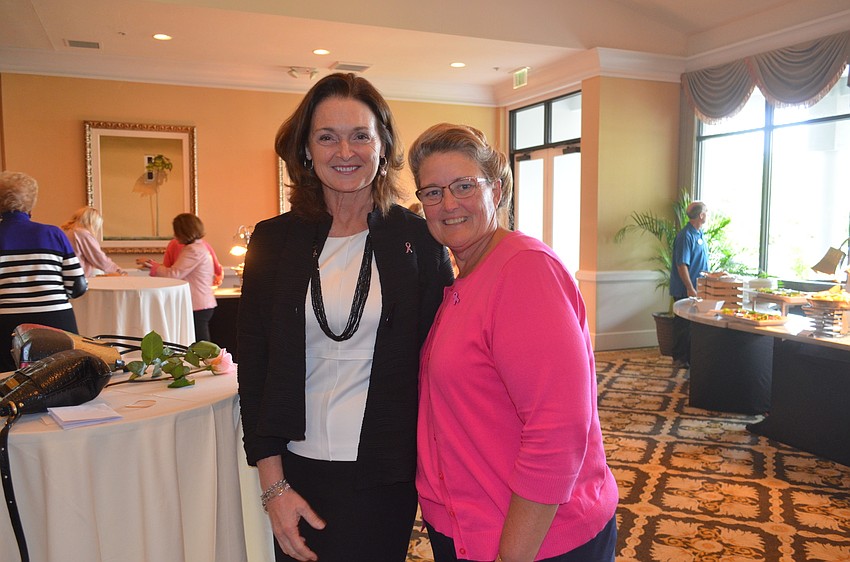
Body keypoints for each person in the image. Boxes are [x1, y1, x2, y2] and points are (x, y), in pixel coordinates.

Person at [236, 73, 453, 562]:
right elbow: (255, 366)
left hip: (385, 467)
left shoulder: (418, 241)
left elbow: (439, 361)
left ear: (382, 146)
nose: (345, 151)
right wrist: (273, 487)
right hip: (296, 465)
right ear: (307, 151)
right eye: (326, 137)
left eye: (360, 136)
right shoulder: (273, 241)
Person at [409, 123, 619, 562]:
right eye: (432, 192)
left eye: (464, 186)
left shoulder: (524, 270)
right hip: (476, 527)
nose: (448, 203)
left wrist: (513, 554)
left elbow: (558, 430)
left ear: (497, 189)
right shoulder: (469, 274)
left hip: (535, 540)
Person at [0, 171, 87, 371]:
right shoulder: (53, 233)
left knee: (8, 384)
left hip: (6, 324)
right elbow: (78, 285)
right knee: (63, 376)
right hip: (55, 319)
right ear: (31, 202)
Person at [137, 213, 217, 341]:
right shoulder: (198, 247)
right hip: (201, 304)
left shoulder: (193, 250)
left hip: (197, 305)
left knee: (201, 347)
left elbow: (174, 274)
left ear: (184, 231)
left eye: (177, 232)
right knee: (199, 345)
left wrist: (151, 265)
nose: (175, 235)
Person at [669, 201, 709, 368]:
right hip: (686, 289)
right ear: (701, 215)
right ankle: (679, 358)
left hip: (698, 289)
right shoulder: (685, 236)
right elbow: (682, 264)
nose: (707, 215)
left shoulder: (699, 235)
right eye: (706, 212)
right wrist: (690, 287)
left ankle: (689, 358)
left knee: (692, 327)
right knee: (683, 325)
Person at [61, 206, 127, 277]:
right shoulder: (82, 234)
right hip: (77, 279)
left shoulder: (65, 232)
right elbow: (99, 258)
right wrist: (119, 271)